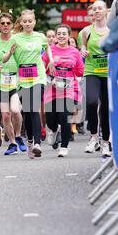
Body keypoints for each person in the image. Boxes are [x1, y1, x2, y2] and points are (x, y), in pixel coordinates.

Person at [3, 9, 55, 159]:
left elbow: (47, 47)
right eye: (24, 21)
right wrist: (9, 53)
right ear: (20, 23)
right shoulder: (15, 38)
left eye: (30, 21)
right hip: (22, 80)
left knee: (34, 108)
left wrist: (50, 59)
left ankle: (37, 143)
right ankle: (30, 141)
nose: (27, 24)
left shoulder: (40, 36)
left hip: (38, 77)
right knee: (28, 111)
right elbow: (5, 59)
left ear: (34, 22)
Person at [0, 12, 27, 155]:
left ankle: (19, 135)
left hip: (16, 81)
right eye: (2, 23)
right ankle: (13, 143)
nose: (5, 26)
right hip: (1, 83)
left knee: (15, 110)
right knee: (6, 116)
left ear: (12, 25)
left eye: (8, 23)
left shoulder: (17, 40)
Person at [43, 24, 84, 157]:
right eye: (58, 34)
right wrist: (51, 78)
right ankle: (53, 130)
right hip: (52, 87)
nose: (61, 36)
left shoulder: (74, 52)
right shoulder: (50, 50)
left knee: (65, 115)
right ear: (55, 36)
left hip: (69, 88)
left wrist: (77, 77)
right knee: (51, 118)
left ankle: (64, 146)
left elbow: (79, 71)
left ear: (69, 36)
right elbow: (41, 69)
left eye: (64, 34)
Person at [79, 0, 112, 157]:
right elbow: (83, 47)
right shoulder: (86, 31)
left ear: (106, 11)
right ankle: (93, 137)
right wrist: (83, 51)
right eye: (95, 9)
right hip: (92, 71)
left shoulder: (112, 30)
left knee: (105, 108)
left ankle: (105, 142)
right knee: (91, 102)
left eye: (100, 8)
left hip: (108, 72)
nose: (97, 11)